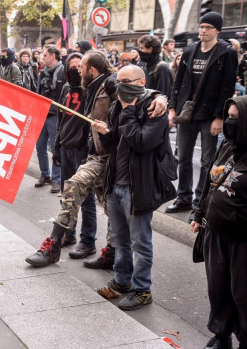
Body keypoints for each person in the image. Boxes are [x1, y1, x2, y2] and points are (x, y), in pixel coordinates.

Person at [25, 51, 170, 269]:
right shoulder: (86, 86)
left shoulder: (110, 83)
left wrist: (161, 96)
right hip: (96, 153)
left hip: (112, 157)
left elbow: (140, 88)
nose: (77, 71)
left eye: (80, 67)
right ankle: (55, 245)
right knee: (88, 193)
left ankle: (108, 253)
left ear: (92, 70)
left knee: (108, 205)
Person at [93, 64, 172, 311]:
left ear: (141, 82)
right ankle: (122, 281)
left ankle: (142, 290)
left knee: (140, 242)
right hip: (116, 181)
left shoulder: (153, 108)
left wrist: (128, 111)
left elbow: (141, 142)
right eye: (118, 80)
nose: (119, 85)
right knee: (119, 239)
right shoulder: (118, 106)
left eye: (125, 80)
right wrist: (105, 133)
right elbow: (115, 144)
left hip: (138, 186)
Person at [167, 12, 238, 219]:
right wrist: (172, 108)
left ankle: (200, 203)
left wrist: (219, 117)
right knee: (183, 158)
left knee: (207, 161)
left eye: (208, 27)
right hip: (186, 114)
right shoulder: (190, 50)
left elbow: (227, 88)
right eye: (202, 26)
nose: (203, 30)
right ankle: (183, 197)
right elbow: (178, 83)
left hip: (210, 115)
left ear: (217, 30)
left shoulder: (226, 52)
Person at [191, 96, 247, 349]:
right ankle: (220, 335)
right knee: (218, 288)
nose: (229, 123)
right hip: (214, 231)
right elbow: (210, 182)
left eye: (236, 118)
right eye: (228, 116)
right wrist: (198, 213)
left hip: (242, 239)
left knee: (243, 294)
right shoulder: (226, 146)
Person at [52, 52, 97, 257]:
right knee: (66, 195)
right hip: (66, 146)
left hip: (82, 149)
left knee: (85, 198)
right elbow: (62, 118)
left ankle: (88, 240)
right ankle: (68, 233)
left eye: (79, 67)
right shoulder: (65, 88)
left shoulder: (92, 88)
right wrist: (57, 145)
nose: (76, 70)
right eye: (72, 66)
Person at [34, 45, 65, 192]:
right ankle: (44, 175)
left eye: (45, 55)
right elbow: (38, 92)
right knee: (40, 147)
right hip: (41, 114)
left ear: (53, 56)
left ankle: (57, 179)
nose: (42, 58)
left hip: (55, 116)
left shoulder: (63, 72)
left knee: (55, 148)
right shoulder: (42, 72)